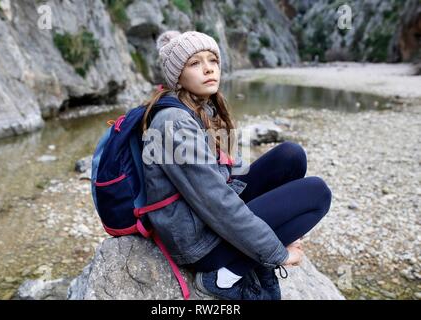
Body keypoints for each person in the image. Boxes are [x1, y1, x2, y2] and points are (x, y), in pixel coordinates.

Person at [139, 30, 332, 300]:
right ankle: (223, 277)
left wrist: (276, 215)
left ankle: (250, 254)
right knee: (318, 194)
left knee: (291, 155)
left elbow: (232, 170)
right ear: (177, 77)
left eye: (212, 61)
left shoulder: (204, 108)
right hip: (199, 243)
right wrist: (278, 253)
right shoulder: (174, 123)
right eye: (195, 64)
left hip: (206, 218)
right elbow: (216, 203)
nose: (208, 69)